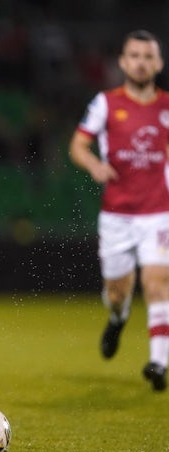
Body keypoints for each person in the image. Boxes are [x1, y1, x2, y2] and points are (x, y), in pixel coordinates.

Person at [69, 29, 169, 392]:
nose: (141, 62)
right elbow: (78, 146)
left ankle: (158, 362)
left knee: (156, 283)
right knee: (117, 292)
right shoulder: (106, 103)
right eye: (135, 56)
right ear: (124, 62)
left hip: (158, 212)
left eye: (148, 56)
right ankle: (118, 318)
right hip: (116, 215)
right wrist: (94, 165)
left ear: (158, 63)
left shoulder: (167, 107)